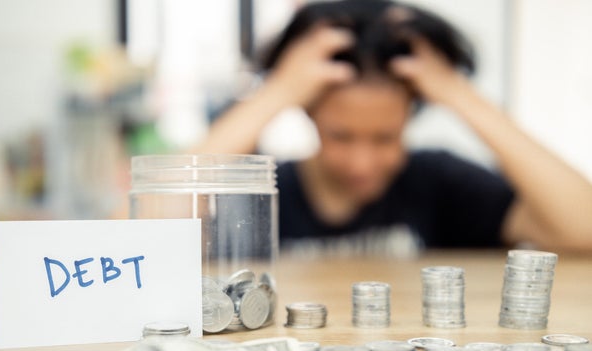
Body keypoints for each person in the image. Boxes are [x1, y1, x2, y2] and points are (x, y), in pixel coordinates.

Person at [193, 0, 592, 255]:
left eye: (386, 137)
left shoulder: (440, 181)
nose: (362, 164)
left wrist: (459, 94)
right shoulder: (266, 192)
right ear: (308, 115)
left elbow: (583, 230)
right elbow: (149, 234)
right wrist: (276, 92)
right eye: (340, 135)